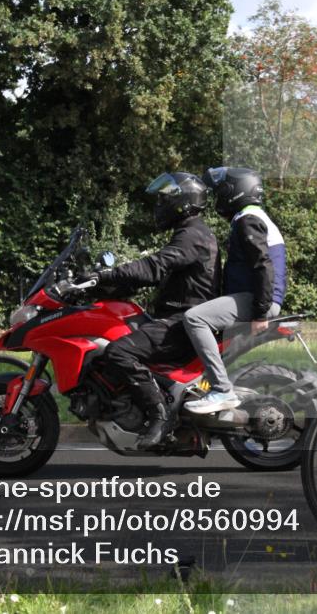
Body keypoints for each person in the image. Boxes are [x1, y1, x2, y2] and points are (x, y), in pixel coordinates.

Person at [96, 172, 220, 449]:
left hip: (183, 323)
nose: (159, 205)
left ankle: (159, 415)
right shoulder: (189, 232)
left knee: (119, 352)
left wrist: (108, 275)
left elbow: (154, 267)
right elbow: (158, 273)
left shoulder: (192, 236)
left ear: (183, 202)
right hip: (178, 318)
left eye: (165, 199)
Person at [184, 167, 286, 414]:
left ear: (234, 192)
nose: (218, 197)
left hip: (257, 300)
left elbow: (263, 265)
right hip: (254, 298)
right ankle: (211, 386)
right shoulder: (253, 217)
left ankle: (221, 390)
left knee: (194, 318)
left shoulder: (248, 220)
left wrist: (260, 312)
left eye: (221, 191)